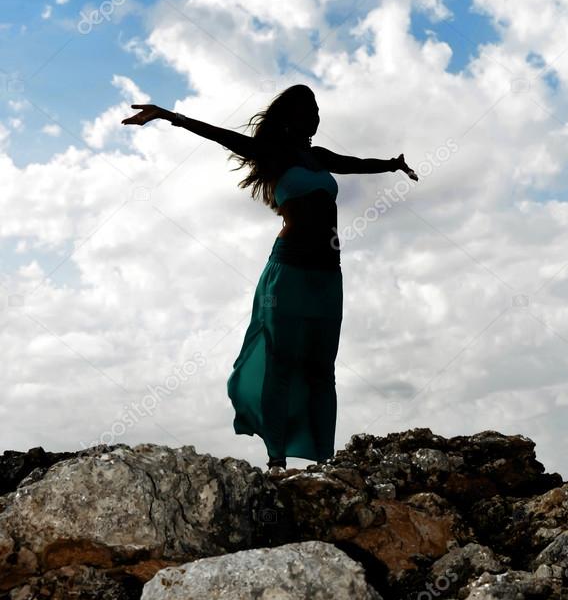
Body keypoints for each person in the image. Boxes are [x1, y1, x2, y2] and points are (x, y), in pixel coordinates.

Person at [121, 84, 417, 473]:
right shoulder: (272, 154)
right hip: (289, 271)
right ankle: (276, 458)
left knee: (321, 367)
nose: (316, 114)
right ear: (291, 115)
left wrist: (393, 164)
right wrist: (169, 116)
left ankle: (324, 459)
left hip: (328, 274)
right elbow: (221, 135)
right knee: (281, 362)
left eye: (317, 108)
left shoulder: (319, 157)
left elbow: (356, 162)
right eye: (308, 107)